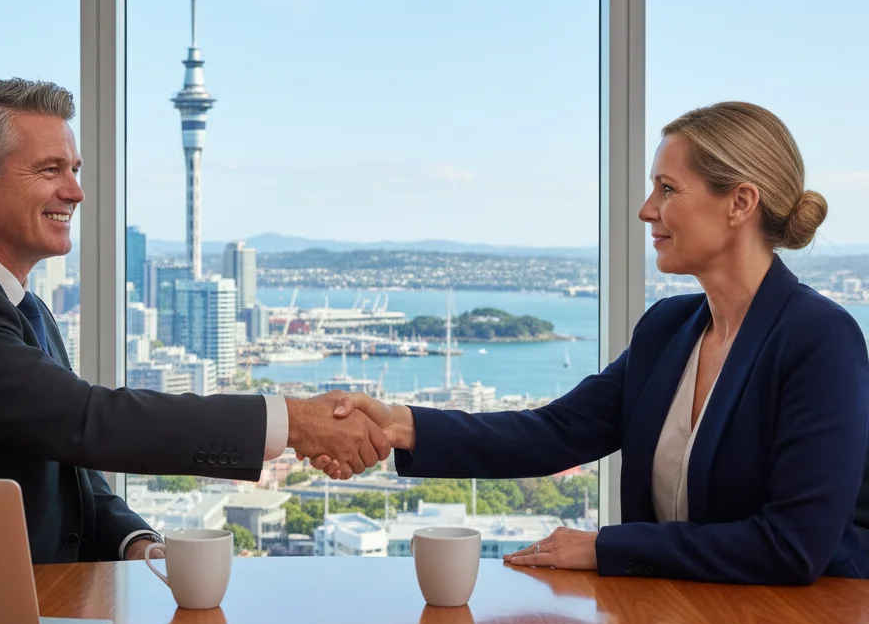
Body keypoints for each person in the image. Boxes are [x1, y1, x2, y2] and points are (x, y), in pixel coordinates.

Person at [328, 102, 869, 584]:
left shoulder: (820, 340)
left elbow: (792, 546)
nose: (646, 209)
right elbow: (555, 433)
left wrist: (604, 546)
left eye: (668, 189)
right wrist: (400, 423)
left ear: (741, 203)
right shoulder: (667, 330)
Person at [0, 78, 387, 563]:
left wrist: (136, 543)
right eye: (49, 170)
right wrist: (291, 421)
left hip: (36, 609)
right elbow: (87, 422)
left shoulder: (22, 306)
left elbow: (65, 459)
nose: (76, 192)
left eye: (74, 170)